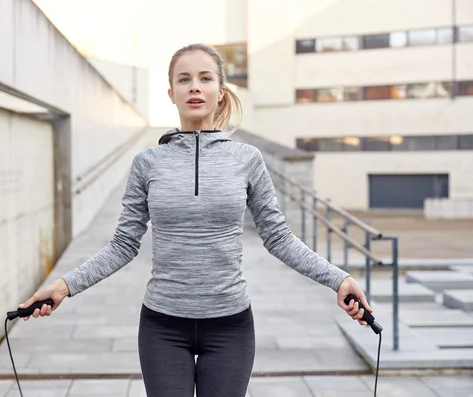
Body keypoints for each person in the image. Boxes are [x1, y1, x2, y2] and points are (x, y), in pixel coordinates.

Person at [19, 43, 372, 397]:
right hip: (162, 327)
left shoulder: (247, 159)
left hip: (231, 327)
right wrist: (64, 286)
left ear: (221, 92)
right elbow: (123, 246)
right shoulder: (148, 162)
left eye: (205, 78)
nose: (195, 87)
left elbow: (278, 237)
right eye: (184, 79)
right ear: (171, 93)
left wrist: (338, 279)